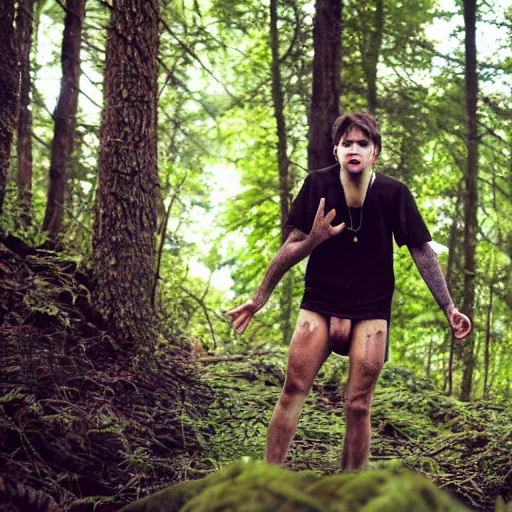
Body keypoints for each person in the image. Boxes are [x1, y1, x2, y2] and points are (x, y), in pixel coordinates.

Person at [226, 112, 472, 470]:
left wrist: (449, 307)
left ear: (374, 152)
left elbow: (422, 251)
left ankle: (350, 485)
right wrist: (264, 293)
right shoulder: (317, 185)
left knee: (358, 404)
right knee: (293, 389)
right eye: (347, 143)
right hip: (321, 302)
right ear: (336, 150)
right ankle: (268, 477)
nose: (354, 149)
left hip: (371, 307)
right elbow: (289, 247)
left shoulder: (393, 193)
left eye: (362, 143)